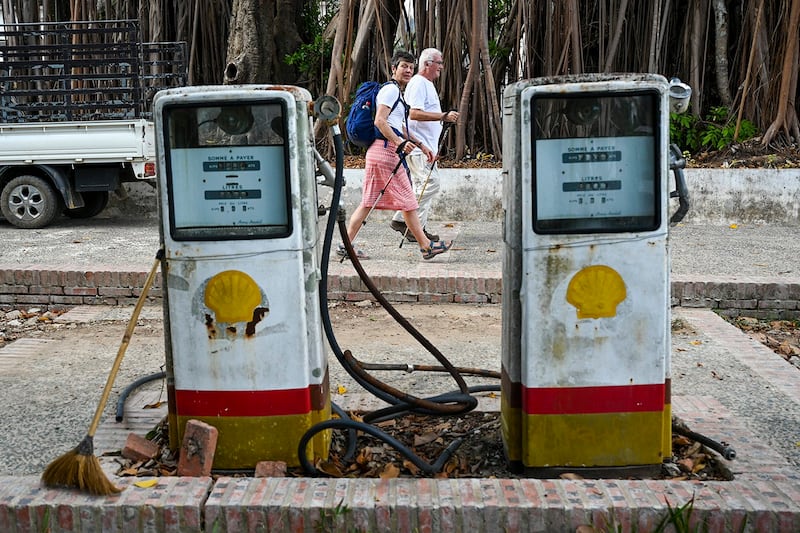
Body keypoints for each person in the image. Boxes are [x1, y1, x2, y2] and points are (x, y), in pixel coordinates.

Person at [340, 50, 453, 260]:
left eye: (411, 67)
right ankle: (426, 247)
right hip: (386, 153)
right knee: (408, 201)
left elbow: (399, 125)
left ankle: (346, 244)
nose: (408, 71)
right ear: (393, 69)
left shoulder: (397, 93)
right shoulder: (390, 90)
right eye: (404, 66)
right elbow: (380, 121)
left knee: (368, 203)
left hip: (381, 152)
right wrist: (400, 143)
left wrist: (420, 145)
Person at [389, 48, 459, 243]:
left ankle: (414, 226)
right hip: (419, 148)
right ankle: (405, 221)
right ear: (428, 64)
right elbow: (414, 114)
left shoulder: (426, 84)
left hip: (426, 147)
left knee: (423, 185)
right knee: (430, 184)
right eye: (439, 62)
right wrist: (443, 116)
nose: (441, 67)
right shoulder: (419, 83)